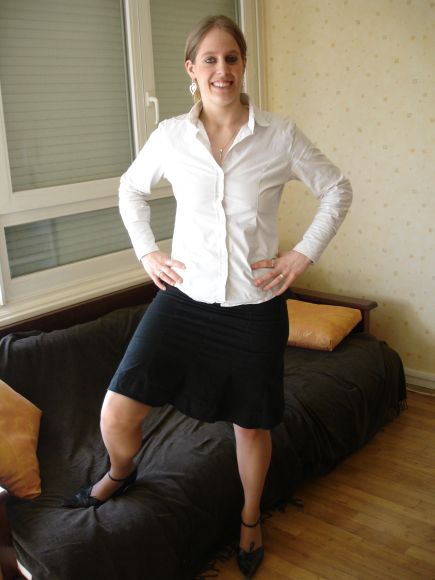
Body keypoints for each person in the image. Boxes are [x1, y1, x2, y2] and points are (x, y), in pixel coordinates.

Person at [64, 14, 352, 579]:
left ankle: (250, 516)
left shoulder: (279, 136)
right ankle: (121, 471)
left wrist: (301, 255)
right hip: (184, 301)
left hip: (254, 306)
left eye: (232, 58)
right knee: (116, 411)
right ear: (191, 69)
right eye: (211, 60)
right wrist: (147, 252)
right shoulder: (171, 136)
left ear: (243, 65)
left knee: (251, 426)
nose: (223, 70)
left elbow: (336, 189)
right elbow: (131, 189)